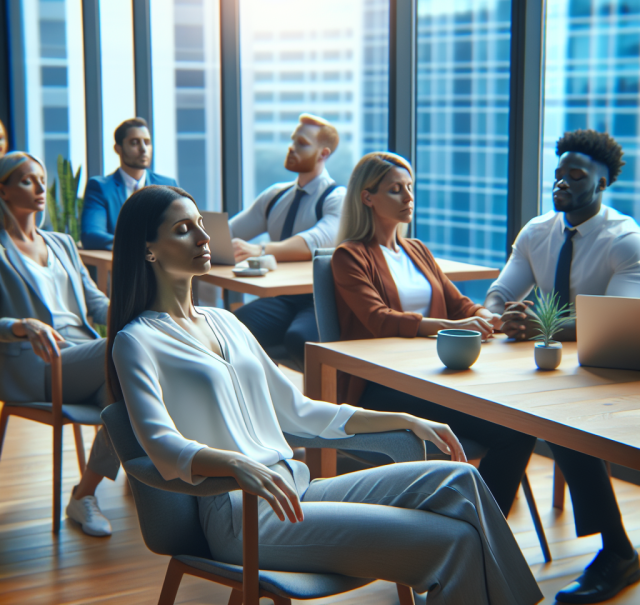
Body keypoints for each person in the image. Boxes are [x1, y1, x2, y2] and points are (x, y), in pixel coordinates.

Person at [106, 184, 542, 605]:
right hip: (243, 516)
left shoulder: (227, 321)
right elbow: (160, 446)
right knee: (454, 540)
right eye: (183, 229)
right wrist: (235, 462)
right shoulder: (137, 340)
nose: (204, 237)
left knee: (462, 478)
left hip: (299, 490)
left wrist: (400, 419)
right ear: (149, 250)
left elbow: (297, 412)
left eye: (201, 223)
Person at [330, 151, 537, 518]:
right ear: (367, 197)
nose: (408, 198)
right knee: (512, 433)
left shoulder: (417, 250)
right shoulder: (349, 256)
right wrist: (454, 328)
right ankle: (475, 532)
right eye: (396, 190)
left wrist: (493, 318)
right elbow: (380, 319)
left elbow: (459, 304)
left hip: (435, 376)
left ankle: (472, 531)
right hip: (382, 386)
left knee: (520, 426)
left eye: (410, 188)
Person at [484, 129, 640, 604]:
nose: (562, 184)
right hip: (553, 367)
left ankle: (616, 552)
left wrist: (544, 327)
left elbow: (614, 322)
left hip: (613, 368)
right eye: (558, 175)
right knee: (513, 419)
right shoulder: (538, 232)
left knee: (550, 419)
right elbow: (500, 292)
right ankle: (481, 538)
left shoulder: (625, 240)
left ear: (603, 181)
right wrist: (500, 315)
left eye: (576, 175)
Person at [0, 152, 119, 536]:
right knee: (126, 351)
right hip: (38, 364)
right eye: (25, 180)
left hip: (84, 355)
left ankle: (84, 495)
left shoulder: (63, 243)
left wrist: (131, 310)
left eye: (41, 179)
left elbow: (95, 302)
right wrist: (21, 325)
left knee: (127, 400)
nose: (39, 187)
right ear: (2, 190)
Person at [229, 113, 345, 371]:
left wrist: (258, 249)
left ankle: (325, 404)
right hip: (282, 298)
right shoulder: (275, 195)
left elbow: (313, 244)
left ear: (323, 153)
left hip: (320, 299)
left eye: (302, 143)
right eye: (293, 140)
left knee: (299, 340)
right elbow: (230, 232)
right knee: (230, 329)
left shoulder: (337, 198)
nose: (292, 147)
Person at [80, 117, 178, 250]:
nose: (143, 149)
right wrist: (140, 247)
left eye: (147, 142)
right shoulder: (100, 187)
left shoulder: (167, 185)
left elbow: (181, 229)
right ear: (118, 149)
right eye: (134, 142)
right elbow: (91, 235)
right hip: (119, 266)